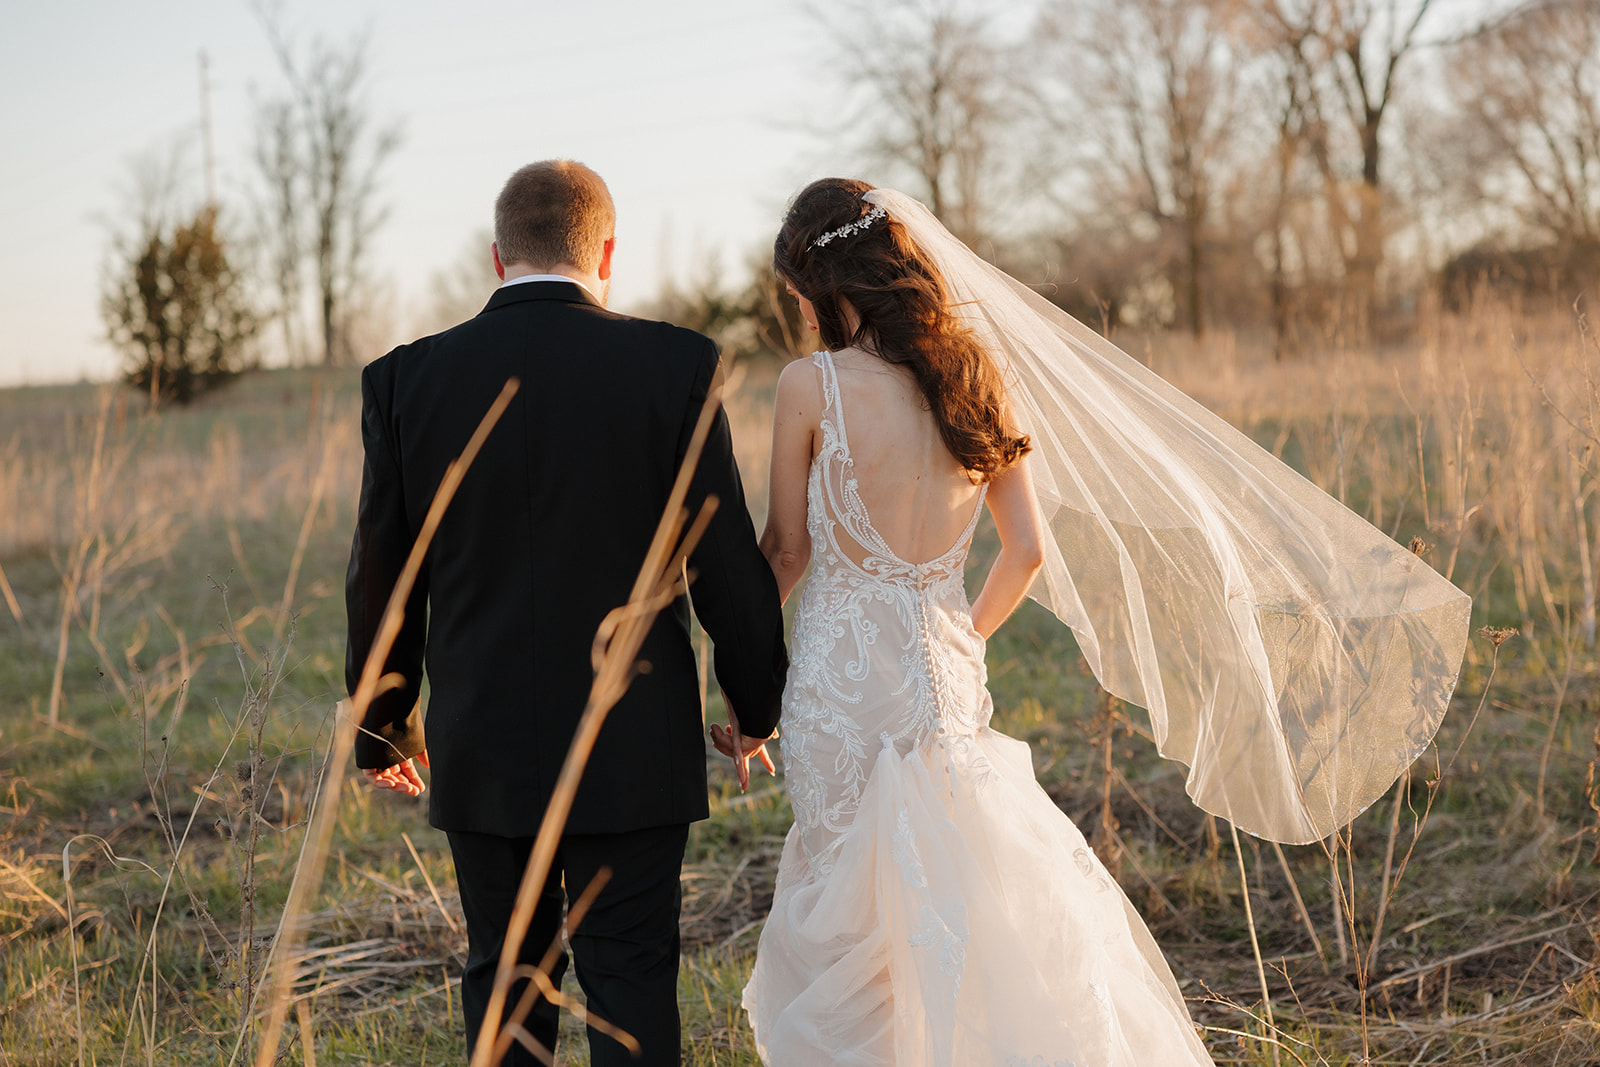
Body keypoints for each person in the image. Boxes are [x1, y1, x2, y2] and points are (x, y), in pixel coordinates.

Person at [724, 178, 1470, 1065]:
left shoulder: (812, 385)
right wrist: (961, 633)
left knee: (850, 902)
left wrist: (737, 680)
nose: (803, 313)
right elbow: (1026, 550)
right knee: (955, 887)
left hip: (843, 688)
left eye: (802, 294)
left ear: (828, 280)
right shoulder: (975, 376)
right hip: (945, 671)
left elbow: (783, 553)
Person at [345, 159, 789, 1067]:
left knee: (505, 985)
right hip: (635, 745)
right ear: (608, 252)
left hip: (484, 744)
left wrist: (385, 726)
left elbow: (382, 578)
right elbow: (724, 562)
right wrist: (756, 703)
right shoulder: (676, 364)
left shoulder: (405, 381)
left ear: (497, 255)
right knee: (629, 983)